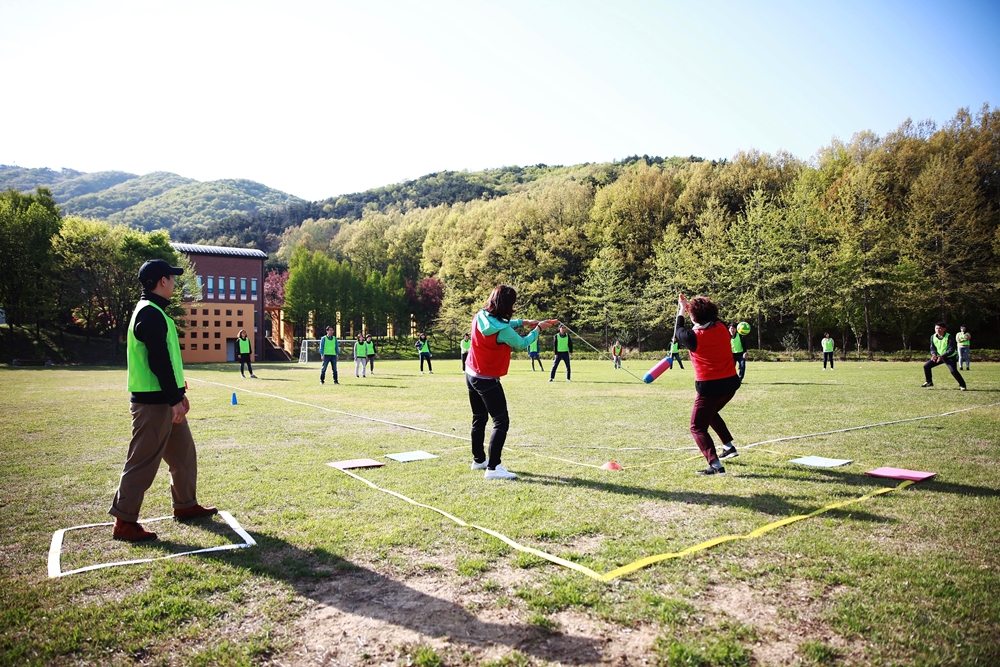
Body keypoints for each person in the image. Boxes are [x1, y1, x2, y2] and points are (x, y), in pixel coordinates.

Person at [109, 259, 216, 541]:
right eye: (172, 278)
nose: (175, 283)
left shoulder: (155, 312)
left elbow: (166, 360)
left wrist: (179, 393)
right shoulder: (149, 313)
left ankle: (185, 505)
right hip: (153, 405)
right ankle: (124, 521)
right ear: (162, 281)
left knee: (184, 455)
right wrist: (173, 398)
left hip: (166, 400)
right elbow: (158, 360)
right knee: (142, 462)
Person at [466, 284, 557, 480]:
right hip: (486, 379)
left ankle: (478, 460)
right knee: (501, 421)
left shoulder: (480, 315)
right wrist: (538, 329)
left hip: (471, 373)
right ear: (507, 305)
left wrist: (523, 322)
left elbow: (499, 323)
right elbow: (522, 343)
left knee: (479, 417)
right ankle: (493, 468)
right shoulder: (503, 330)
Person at [675, 294, 742, 475]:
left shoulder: (692, 337)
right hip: (731, 384)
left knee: (697, 427)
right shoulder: (722, 327)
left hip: (710, 387)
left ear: (694, 316)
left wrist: (682, 308)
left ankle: (715, 465)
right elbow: (712, 318)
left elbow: (678, 330)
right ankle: (728, 447)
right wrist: (689, 307)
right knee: (710, 413)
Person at [922, 322, 967, 391]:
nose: (938, 330)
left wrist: (942, 356)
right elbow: (932, 348)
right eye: (936, 328)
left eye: (940, 328)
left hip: (949, 357)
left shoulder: (949, 337)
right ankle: (929, 382)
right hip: (939, 356)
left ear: (944, 329)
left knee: (953, 371)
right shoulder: (933, 337)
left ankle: (962, 385)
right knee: (926, 366)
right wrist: (933, 354)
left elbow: (951, 349)